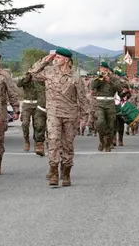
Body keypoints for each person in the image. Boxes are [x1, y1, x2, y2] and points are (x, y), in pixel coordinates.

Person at [28, 48, 89, 187]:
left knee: (67, 145)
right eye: (55, 58)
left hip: (70, 115)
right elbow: (32, 73)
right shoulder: (49, 72)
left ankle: (66, 173)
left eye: (58, 58)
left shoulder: (75, 77)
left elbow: (82, 98)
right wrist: (45, 60)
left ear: (66, 60)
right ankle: (54, 172)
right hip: (53, 113)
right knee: (53, 141)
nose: (55, 60)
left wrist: (84, 117)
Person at [91, 62, 128, 152]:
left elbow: (119, 90)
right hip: (100, 103)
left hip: (110, 103)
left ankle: (108, 144)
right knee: (100, 122)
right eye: (101, 68)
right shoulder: (98, 78)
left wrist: (109, 81)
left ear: (107, 69)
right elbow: (93, 86)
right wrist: (100, 78)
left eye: (104, 68)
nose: (103, 69)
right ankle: (101, 141)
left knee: (111, 126)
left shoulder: (114, 78)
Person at [16, 71, 46, 156]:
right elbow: (19, 84)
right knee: (25, 123)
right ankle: (26, 141)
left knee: (37, 125)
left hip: (37, 104)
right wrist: (27, 76)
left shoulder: (39, 79)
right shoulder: (26, 79)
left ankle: (37, 142)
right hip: (27, 104)